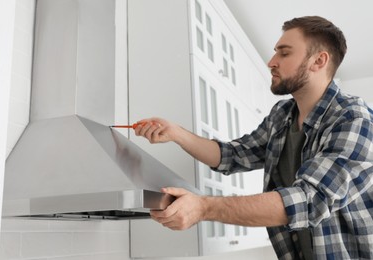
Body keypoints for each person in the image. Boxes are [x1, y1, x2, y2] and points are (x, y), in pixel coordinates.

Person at [134, 16, 373, 260]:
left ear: (318, 60)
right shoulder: (281, 116)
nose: (271, 62)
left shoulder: (354, 119)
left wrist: (203, 207)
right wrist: (176, 133)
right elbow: (232, 155)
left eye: (284, 53)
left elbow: (309, 201)